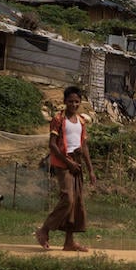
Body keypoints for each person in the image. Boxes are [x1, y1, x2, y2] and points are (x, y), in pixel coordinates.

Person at [35, 85, 96, 252]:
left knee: (76, 203)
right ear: (65, 102)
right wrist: (68, 162)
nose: (74, 105)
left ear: (80, 102)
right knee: (68, 199)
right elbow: (52, 146)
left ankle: (69, 242)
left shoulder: (81, 121)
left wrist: (90, 170)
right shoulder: (59, 119)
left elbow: (83, 146)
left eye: (77, 102)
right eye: (70, 101)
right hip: (63, 163)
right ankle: (44, 229)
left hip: (77, 164)